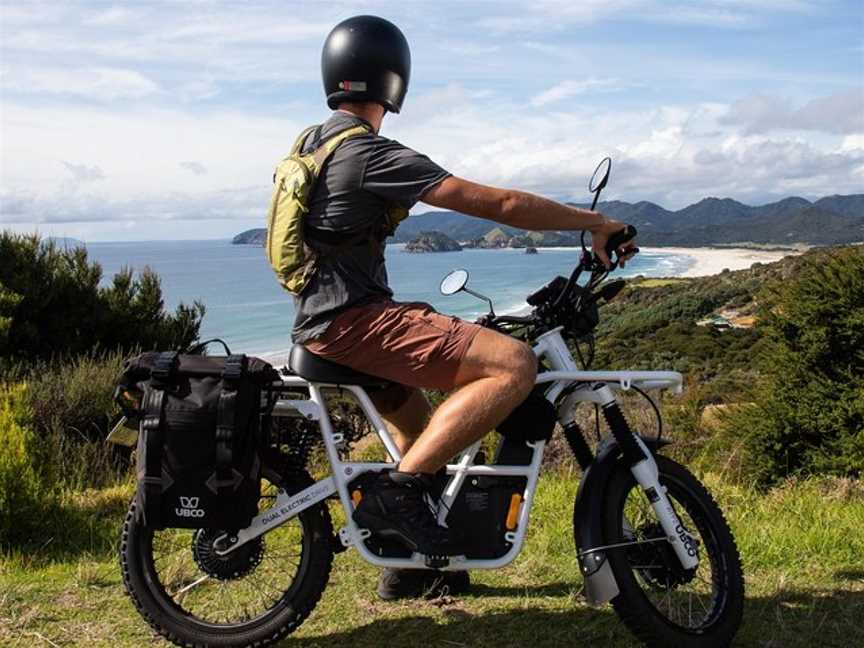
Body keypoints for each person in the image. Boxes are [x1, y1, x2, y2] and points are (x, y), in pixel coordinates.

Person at [287, 15, 637, 599]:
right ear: (393, 79)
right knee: (514, 365)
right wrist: (597, 221)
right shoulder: (369, 154)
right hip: (353, 324)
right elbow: (498, 203)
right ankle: (397, 495)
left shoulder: (312, 145)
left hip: (326, 321)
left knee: (426, 434)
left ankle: (414, 567)